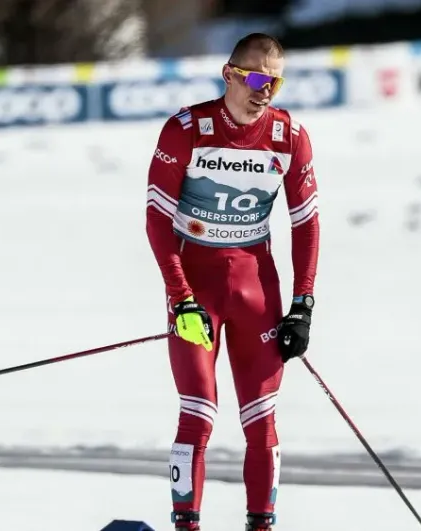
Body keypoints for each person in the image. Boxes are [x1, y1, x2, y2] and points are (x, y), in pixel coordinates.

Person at [144, 33, 320, 531]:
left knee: (262, 421)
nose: (266, 91)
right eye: (258, 78)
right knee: (198, 412)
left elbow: (306, 223)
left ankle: (262, 525)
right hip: (195, 292)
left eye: (276, 81)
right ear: (230, 74)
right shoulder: (187, 129)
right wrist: (181, 300)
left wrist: (302, 305)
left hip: (256, 291)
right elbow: (158, 221)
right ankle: (187, 525)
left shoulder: (289, 136)